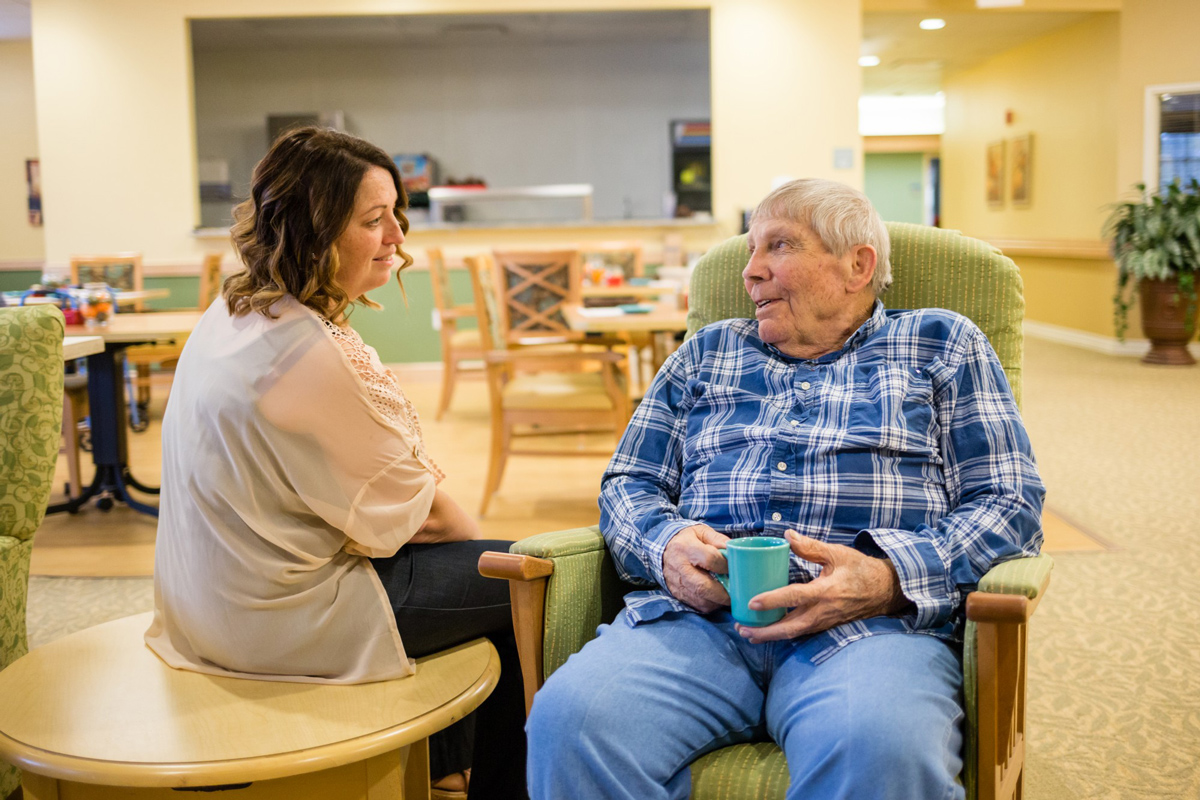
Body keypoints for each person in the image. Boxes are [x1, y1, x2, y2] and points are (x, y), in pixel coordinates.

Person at [525, 178, 1045, 800]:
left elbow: (1009, 503)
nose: (751, 273)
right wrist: (666, 547)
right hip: (699, 622)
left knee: (879, 750)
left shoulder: (943, 344)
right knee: (572, 723)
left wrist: (884, 578)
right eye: (750, 252)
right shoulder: (705, 353)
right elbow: (630, 482)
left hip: (869, 629)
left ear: (858, 265)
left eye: (779, 246)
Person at [145, 127, 525, 800]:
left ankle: (441, 774)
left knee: (478, 580)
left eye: (396, 217)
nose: (397, 239)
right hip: (278, 621)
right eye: (374, 221)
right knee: (533, 579)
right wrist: (493, 557)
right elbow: (425, 521)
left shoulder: (233, 311)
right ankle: (483, 785)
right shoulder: (307, 353)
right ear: (311, 230)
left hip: (202, 602)